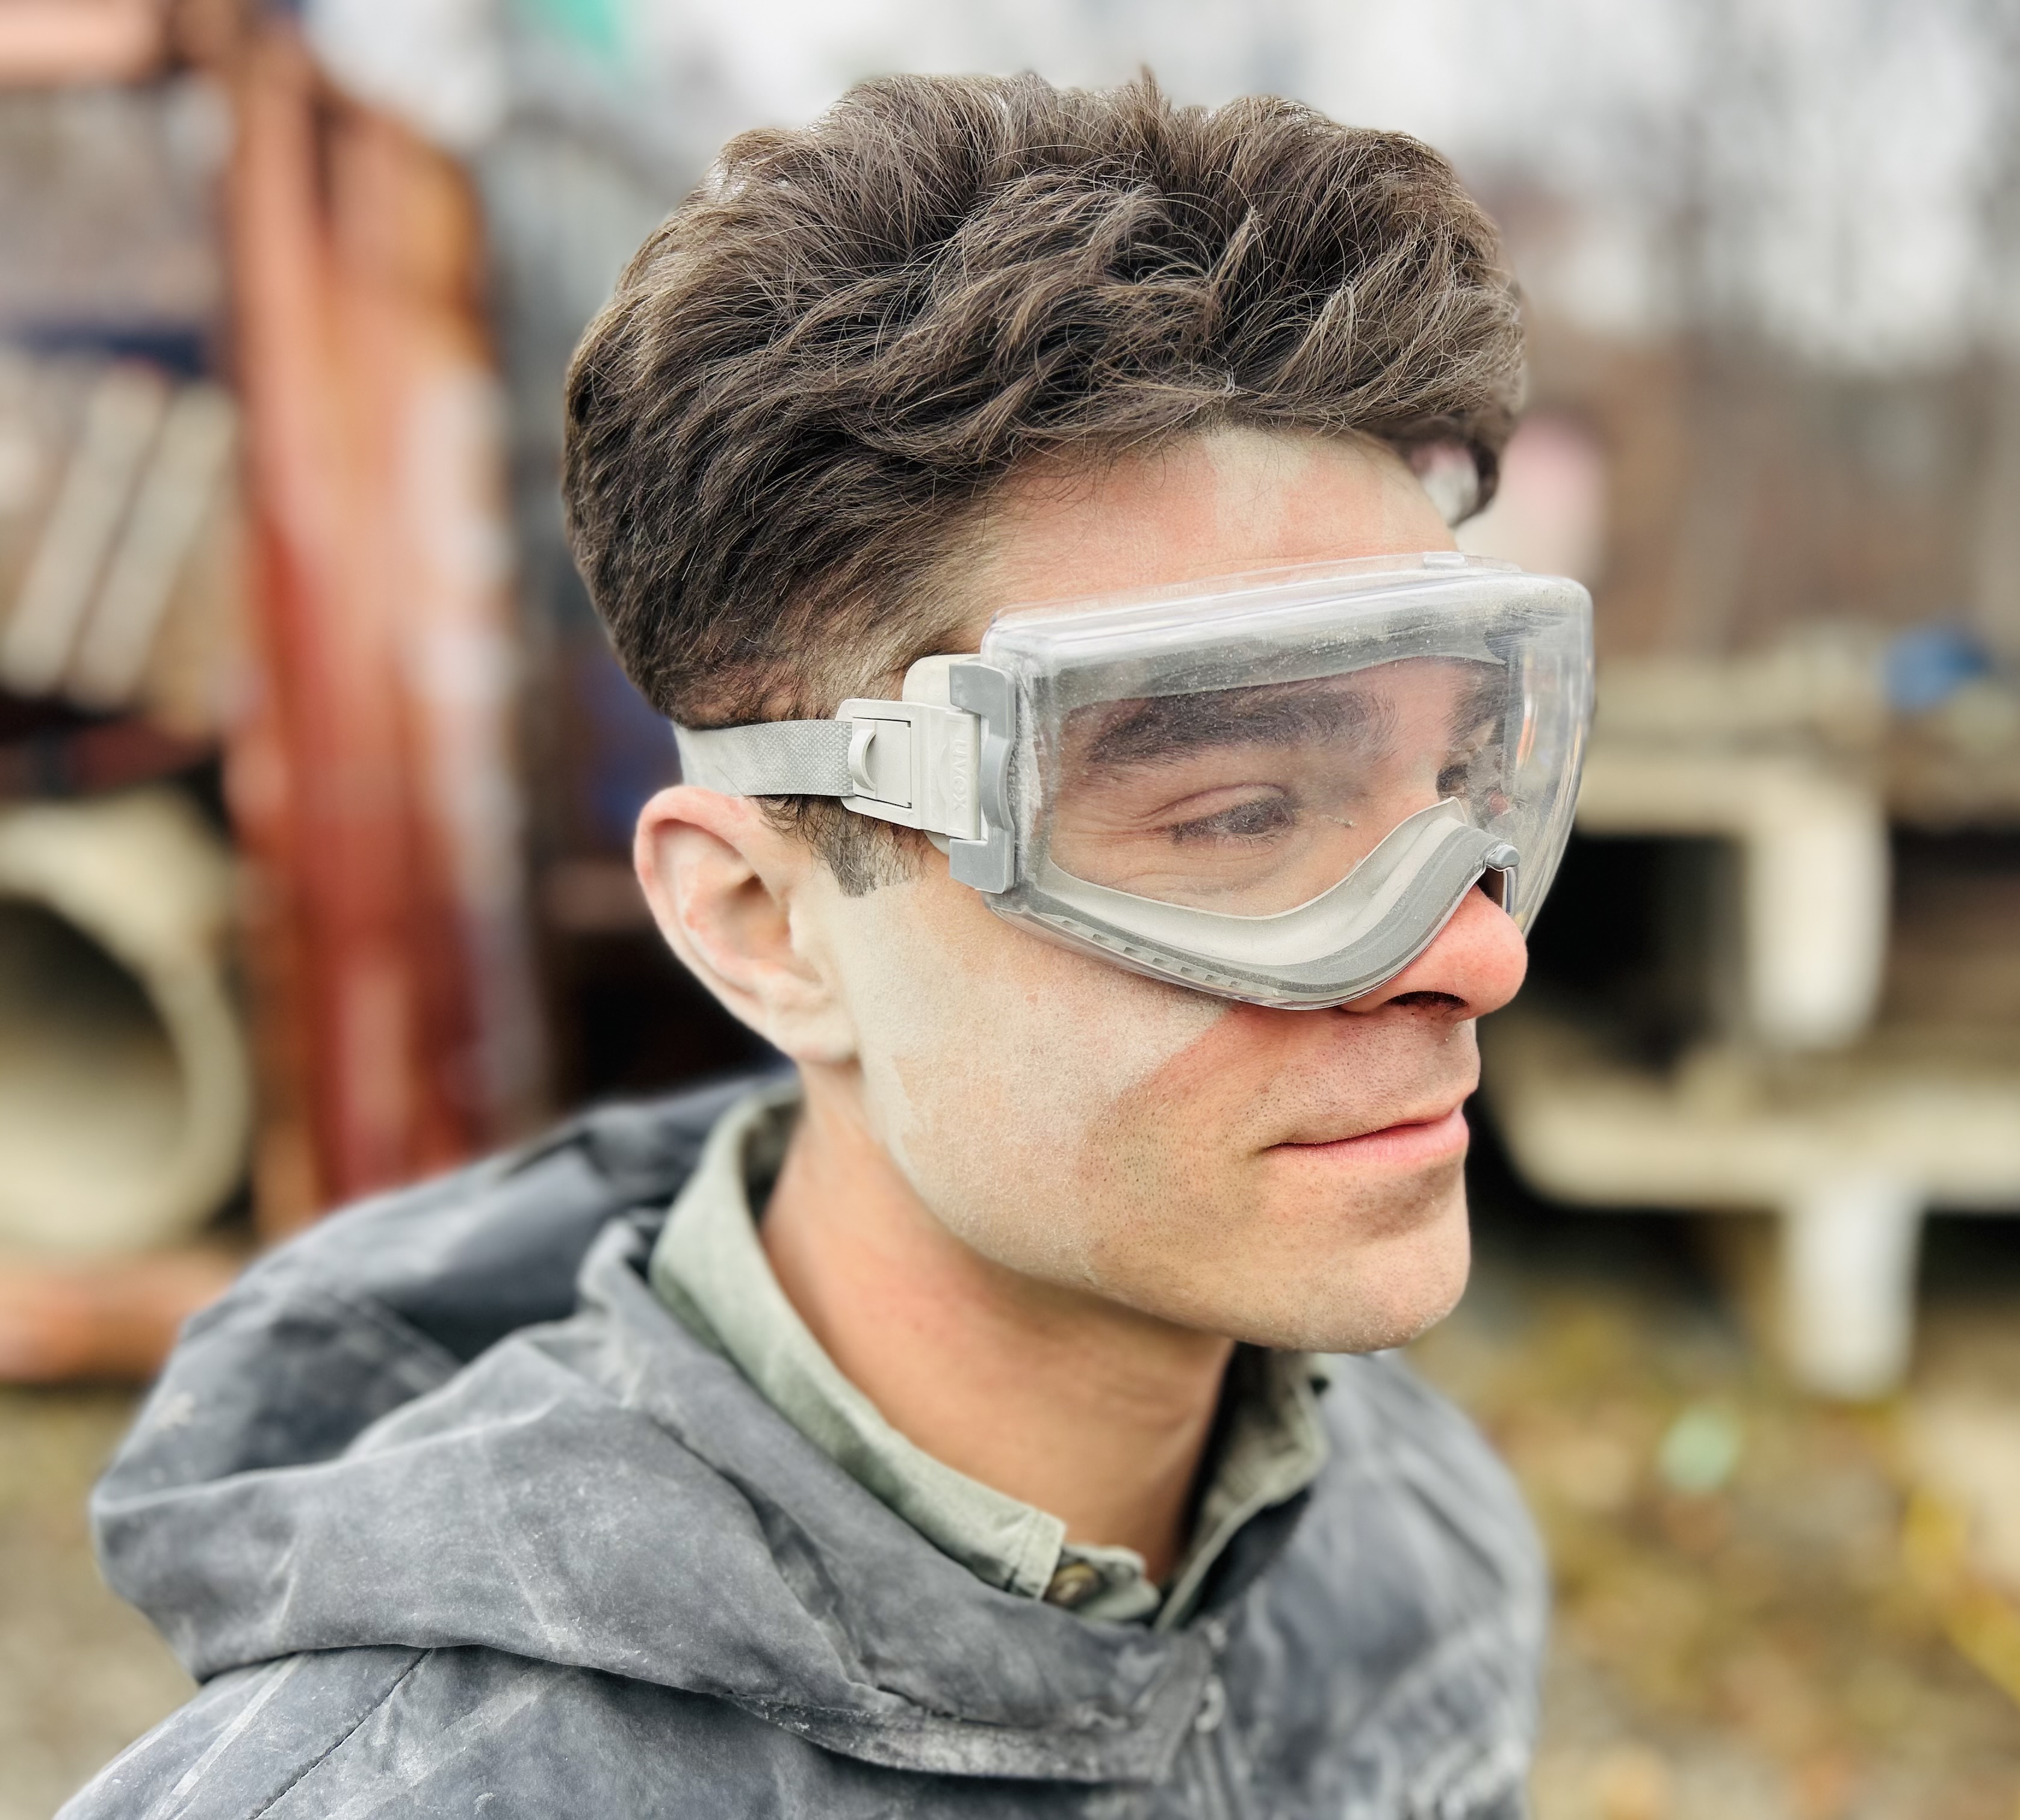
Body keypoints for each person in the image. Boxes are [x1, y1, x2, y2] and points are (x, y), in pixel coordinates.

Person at [67, 71, 1594, 1819]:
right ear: (760, 923)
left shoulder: (1409, 1535)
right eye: (1241, 816)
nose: (1473, 957)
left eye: (1456, 783)